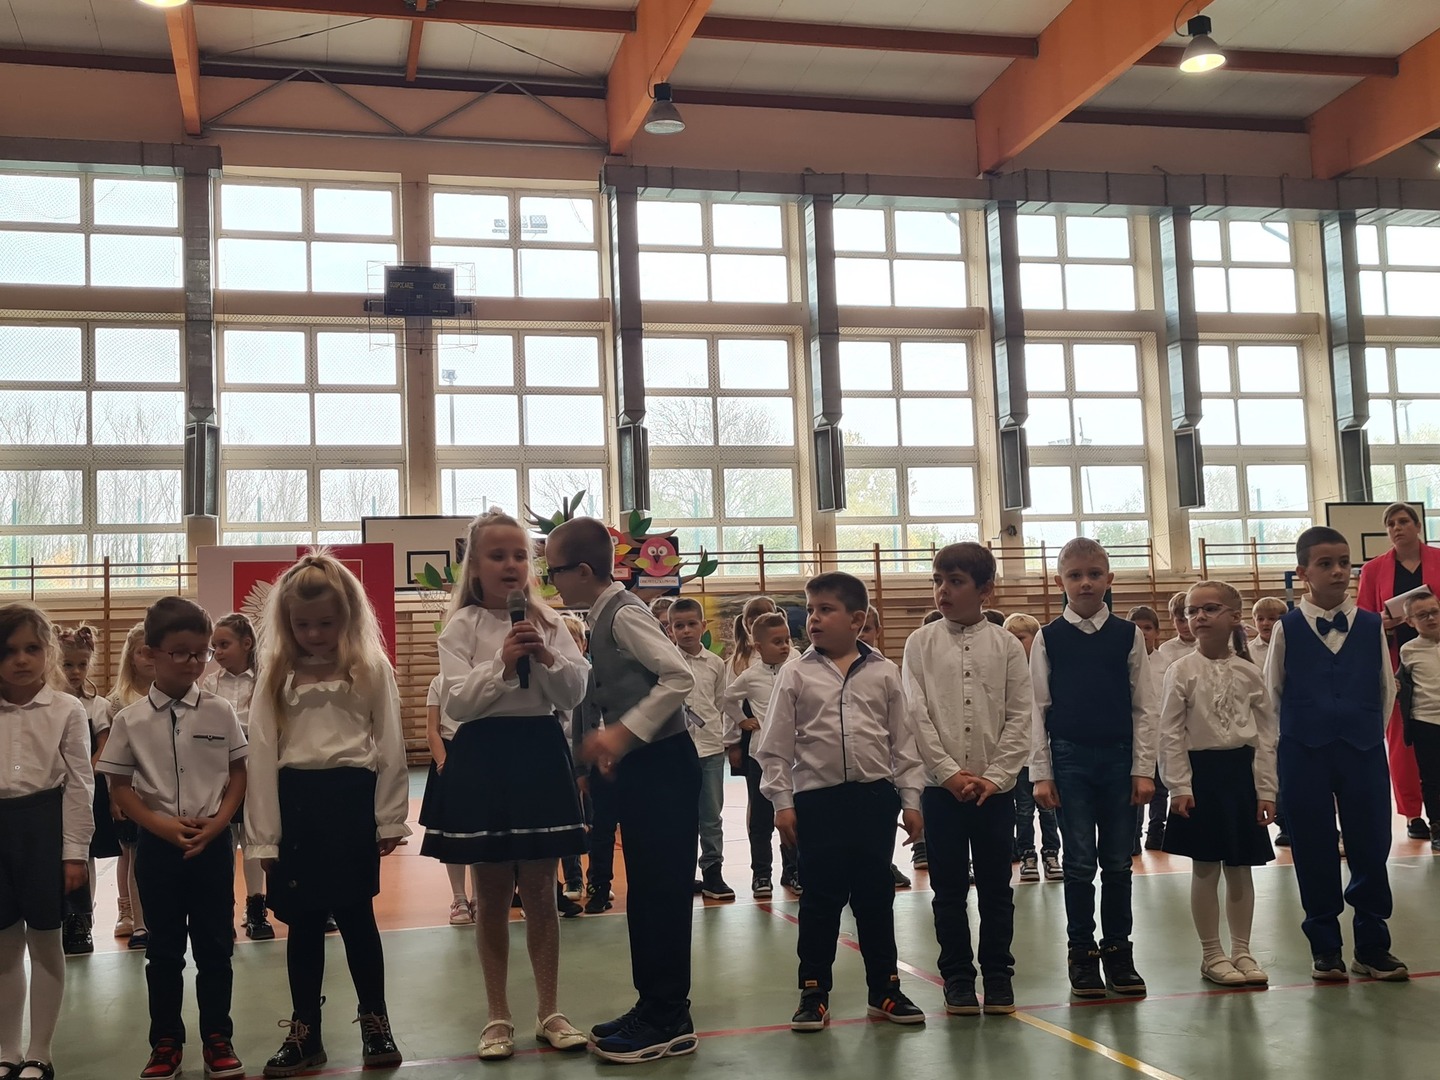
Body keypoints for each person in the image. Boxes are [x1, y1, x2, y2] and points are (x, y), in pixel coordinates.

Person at [425, 510, 591, 1060]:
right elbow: (457, 702)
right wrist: (501, 662)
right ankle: (497, 1015)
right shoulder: (461, 627)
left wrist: (544, 655)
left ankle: (550, 1010)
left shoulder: (551, 622)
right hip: (484, 757)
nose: (511, 565)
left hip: (538, 751)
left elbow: (572, 694)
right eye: (497, 556)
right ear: (474, 567)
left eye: (520, 555)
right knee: (492, 893)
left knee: (541, 891)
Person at [245, 553, 410, 1076]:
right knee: (304, 923)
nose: (314, 634)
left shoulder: (370, 668)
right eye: (303, 625)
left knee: (358, 917)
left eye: (326, 623)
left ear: (348, 618)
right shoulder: (276, 673)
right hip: (297, 805)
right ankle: (305, 1030)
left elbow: (390, 746)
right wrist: (264, 837)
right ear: (286, 623)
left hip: (350, 803)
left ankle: (375, 1021)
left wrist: (389, 817)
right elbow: (261, 756)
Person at [544, 517, 700, 1064]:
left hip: (664, 764)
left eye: (554, 571)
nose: (551, 581)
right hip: (642, 766)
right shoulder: (600, 614)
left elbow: (679, 676)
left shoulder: (626, 612)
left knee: (663, 892)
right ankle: (653, 1004)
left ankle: (669, 1016)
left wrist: (624, 732)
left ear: (583, 571)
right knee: (647, 893)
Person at [756, 572, 926, 1033]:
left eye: (825, 610)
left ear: (857, 619)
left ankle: (885, 989)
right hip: (817, 801)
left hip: (874, 799)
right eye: (810, 610)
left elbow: (904, 744)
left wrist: (911, 801)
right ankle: (814, 992)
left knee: (875, 897)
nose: (813, 619)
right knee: (820, 900)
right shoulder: (796, 673)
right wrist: (782, 802)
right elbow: (774, 747)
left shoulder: (885, 673)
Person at [100, 596, 248, 1080]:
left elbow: (238, 772)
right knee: (163, 952)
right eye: (180, 652)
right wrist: (159, 825)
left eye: (201, 652)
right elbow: (120, 786)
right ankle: (165, 1043)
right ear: (150, 653)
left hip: (212, 847)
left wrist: (220, 822)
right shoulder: (130, 720)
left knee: (215, 949)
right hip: (158, 849)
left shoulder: (221, 711)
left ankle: (218, 1038)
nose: (193, 662)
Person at [1265, 526, 1408, 982]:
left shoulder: (1369, 625)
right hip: (1302, 751)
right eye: (1325, 564)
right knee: (1312, 846)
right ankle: (1325, 946)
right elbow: (1272, 695)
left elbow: (1386, 689)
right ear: (1303, 572)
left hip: (1362, 750)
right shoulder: (1286, 628)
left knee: (1371, 844)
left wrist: (1364, 731)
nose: (1338, 571)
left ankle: (1372, 945)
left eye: (1344, 563)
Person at [904, 544, 1032, 1016]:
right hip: (942, 792)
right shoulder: (920, 644)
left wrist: (995, 777)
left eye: (955, 581)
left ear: (985, 590)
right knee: (948, 890)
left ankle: (998, 975)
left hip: (994, 794)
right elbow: (916, 714)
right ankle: (957, 976)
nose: (943, 591)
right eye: (938, 580)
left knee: (997, 888)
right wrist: (948, 773)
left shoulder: (1007, 646)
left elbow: (1020, 716)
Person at [1030, 538, 1157, 998]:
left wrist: (1144, 768)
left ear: (1109, 579)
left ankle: (1119, 950)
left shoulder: (1128, 634)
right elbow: (1036, 709)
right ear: (1059, 581)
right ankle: (1081, 952)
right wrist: (1041, 773)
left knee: (1119, 862)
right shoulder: (1048, 637)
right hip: (1069, 758)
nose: (1085, 583)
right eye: (1075, 575)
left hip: (1120, 759)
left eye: (1094, 574)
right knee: (1079, 862)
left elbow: (1144, 706)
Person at [1158, 582, 1276, 988]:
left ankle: (1242, 950)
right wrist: (1179, 785)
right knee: (1206, 866)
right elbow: (1169, 732)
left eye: (1210, 609)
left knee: (1241, 867)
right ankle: (1212, 953)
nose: (1199, 617)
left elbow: (1266, 735)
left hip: (1240, 775)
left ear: (1234, 617)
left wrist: (1266, 790)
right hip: (1200, 777)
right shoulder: (1180, 670)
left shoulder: (1250, 672)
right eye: (1192, 611)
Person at [0, 603, 94, 1080]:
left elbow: (80, 784)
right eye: (8, 650)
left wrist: (74, 852)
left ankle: (40, 1052)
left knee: (45, 940)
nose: (20, 659)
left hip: (44, 828)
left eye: (31, 648)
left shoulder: (67, 709)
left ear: (49, 651)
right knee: (3, 946)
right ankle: (7, 1050)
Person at [1357, 502, 1440, 841]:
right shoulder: (1373, 569)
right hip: (1396, 660)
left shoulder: (1438, 559)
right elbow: (1363, 616)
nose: (1397, 528)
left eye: (1403, 521)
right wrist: (1382, 621)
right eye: (1391, 523)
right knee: (1402, 739)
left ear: (1418, 526)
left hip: (1435, 655)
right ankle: (1412, 814)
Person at [201, 613, 271, 943]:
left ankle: (256, 908)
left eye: (224, 645)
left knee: (254, 840)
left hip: (257, 769)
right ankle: (222, 912)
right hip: (222, 772)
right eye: (214, 647)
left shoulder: (265, 679)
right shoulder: (209, 684)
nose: (217, 652)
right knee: (224, 844)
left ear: (246, 643)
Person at [722, 611, 800, 897]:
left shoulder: (797, 668)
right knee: (761, 819)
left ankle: (794, 871)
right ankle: (761, 874)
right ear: (758, 647)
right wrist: (742, 721)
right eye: (777, 642)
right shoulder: (751, 676)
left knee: (792, 816)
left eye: (787, 640)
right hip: (761, 757)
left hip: (794, 757)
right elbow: (727, 698)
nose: (784, 646)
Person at [56, 625, 118, 957]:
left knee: (85, 853)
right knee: (56, 854)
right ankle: (60, 916)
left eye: (82, 665)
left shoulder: (98, 706)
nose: (75, 672)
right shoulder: (50, 704)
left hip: (85, 790)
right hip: (52, 792)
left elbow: (103, 747)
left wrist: (83, 772)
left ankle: (83, 917)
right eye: (68, 665)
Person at [668, 599, 734, 902]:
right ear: (670, 630)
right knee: (679, 817)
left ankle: (712, 872)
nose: (686, 631)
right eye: (679, 625)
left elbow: (719, 703)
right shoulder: (666, 662)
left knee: (710, 815)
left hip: (709, 750)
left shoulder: (716, 664)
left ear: (703, 626)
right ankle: (680, 874)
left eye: (692, 624)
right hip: (676, 752)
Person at [859, 607, 920, 884]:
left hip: (877, 780)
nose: (861, 635)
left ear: (878, 632)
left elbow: (902, 738)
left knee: (876, 850)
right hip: (828, 786)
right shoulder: (804, 670)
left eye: (867, 629)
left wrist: (911, 801)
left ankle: (887, 864)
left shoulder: (886, 671)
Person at [1002, 614, 1061, 883]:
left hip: (1043, 758)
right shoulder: (1006, 675)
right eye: (1011, 639)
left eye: (1021, 638)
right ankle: (1027, 855)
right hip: (1018, 761)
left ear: (1035, 640)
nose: (1016, 643)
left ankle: (1051, 854)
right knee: (1023, 812)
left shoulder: (1044, 672)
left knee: (1048, 811)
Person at [108, 623, 152, 950]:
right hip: (130, 790)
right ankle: (135, 919)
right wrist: (115, 795)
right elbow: (113, 757)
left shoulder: (172, 696)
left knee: (153, 858)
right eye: (142, 652)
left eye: (153, 651)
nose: (148, 658)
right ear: (131, 657)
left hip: (159, 790)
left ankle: (154, 916)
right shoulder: (119, 701)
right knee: (131, 854)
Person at [418, 674, 474, 926]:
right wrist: (443, 762)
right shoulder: (439, 682)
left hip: (478, 753)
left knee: (480, 829)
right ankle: (459, 897)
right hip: (448, 756)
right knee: (452, 830)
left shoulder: (484, 676)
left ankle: (480, 897)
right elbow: (433, 729)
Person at [1397, 590, 1440, 852]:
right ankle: (1437, 825)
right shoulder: (1408, 650)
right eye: (1422, 615)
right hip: (1425, 721)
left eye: (1434, 612)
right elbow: (1399, 683)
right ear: (1410, 621)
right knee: (1432, 779)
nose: (1431, 618)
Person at [1128, 605, 1168, 854]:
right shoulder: (1123, 661)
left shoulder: (1167, 663)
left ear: (1157, 632)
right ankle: (1133, 835)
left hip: (1162, 735)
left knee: (1160, 789)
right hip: (1134, 736)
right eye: (1137, 628)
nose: (1143, 633)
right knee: (1135, 787)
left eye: (1148, 628)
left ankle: (1156, 831)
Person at [727, 596, 778, 680]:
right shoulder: (740, 660)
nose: (760, 627)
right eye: (753, 622)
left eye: (767, 621)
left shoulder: (791, 654)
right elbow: (730, 687)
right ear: (746, 626)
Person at [1249, 597, 1286, 674]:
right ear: (1254, 622)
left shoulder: (1291, 646)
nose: (1265, 623)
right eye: (1260, 619)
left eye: (1271, 619)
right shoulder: (1249, 651)